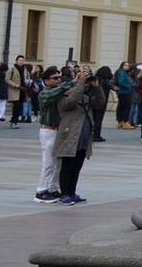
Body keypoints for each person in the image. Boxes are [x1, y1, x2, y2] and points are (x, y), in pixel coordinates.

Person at [52, 65, 100, 205]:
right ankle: (64, 194)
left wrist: (96, 87)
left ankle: (72, 192)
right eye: (78, 75)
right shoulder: (63, 93)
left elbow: (99, 102)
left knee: (77, 167)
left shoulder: (84, 94)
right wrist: (80, 84)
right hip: (69, 135)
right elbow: (70, 102)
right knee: (67, 166)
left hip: (83, 136)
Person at [33, 66, 68, 202]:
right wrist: (71, 83)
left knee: (57, 163)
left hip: (56, 130)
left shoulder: (57, 92)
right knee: (48, 162)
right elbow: (56, 92)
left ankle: (52, 189)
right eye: (55, 78)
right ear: (46, 80)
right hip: (48, 131)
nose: (58, 80)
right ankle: (41, 191)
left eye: (60, 77)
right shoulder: (44, 93)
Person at [114, 61, 134, 129]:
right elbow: (121, 82)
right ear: (122, 66)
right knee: (126, 107)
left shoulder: (123, 72)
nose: (127, 66)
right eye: (125, 65)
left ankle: (120, 122)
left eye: (128, 65)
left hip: (122, 92)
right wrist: (129, 86)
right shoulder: (122, 72)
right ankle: (125, 122)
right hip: (125, 92)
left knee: (121, 107)